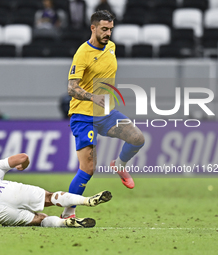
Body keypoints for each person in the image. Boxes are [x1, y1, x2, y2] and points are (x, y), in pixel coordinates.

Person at [62, 10, 145, 219]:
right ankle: (68, 211)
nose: (108, 33)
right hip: (83, 115)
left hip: (105, 113)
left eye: (110, 29)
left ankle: (119, 165)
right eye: (104, 29)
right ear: (93, 28)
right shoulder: (82, 53)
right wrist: (92, 97)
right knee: (88, 168)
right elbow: (72, 88)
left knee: (137, 139)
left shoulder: (111, 47)